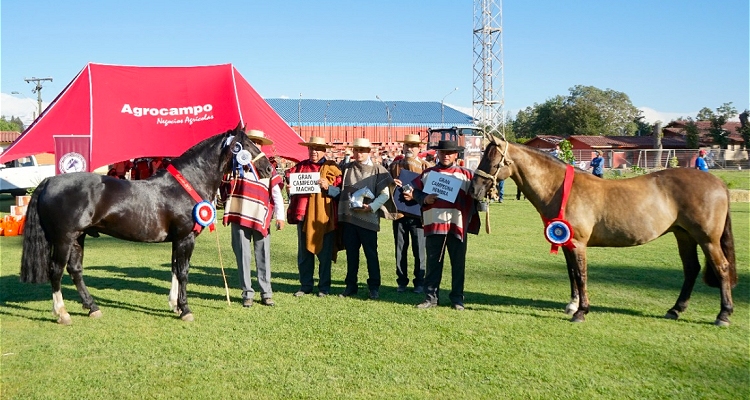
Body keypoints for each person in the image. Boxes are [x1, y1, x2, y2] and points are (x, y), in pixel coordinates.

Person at [403, 140, 480, 311]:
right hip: (434, 225)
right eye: (443, 152)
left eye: (450, 152)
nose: (446, 155)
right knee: (433, 264)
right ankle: (430, 298)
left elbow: (478, 193)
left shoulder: (466, 174)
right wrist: (424, 198)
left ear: (456, 154)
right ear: (437, 153)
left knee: (458, 264)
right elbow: (413, 190)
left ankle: (457, 299)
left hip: (457, 225)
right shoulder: (428, 173)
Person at [221, 129, 285, 307]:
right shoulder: (235, 164)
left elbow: (276, 193)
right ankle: (247, 292)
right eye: (252, 142)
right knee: (242, 255)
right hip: (239, 215)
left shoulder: (268, 166)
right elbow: (221, 184)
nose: (255, 146)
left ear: (262, 146)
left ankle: (266, 292)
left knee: (263, 255)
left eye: (258, 143)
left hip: (260, 217)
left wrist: (280, 216)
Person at [335, 138, 396, 300]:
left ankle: (374, 287)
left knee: (371, 255)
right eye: (356, 150)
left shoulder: (378, 170)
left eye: (362, 150)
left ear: (369, 151)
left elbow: (385, 194)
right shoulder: (346, 168)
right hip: (349, 219)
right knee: (351, 255)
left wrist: (372, 207)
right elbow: (339, 190)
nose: (359, 153)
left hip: (368, 219)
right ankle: (350, 286)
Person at [286, 136, 342, 297]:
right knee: (304, 254)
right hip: (303, 215)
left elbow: (341, 193)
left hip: (324, 217)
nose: (314, 152)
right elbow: (290, 183)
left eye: (317, 149)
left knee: (324, 254)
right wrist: (290, 189)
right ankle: (306, 285)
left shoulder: (333, 168)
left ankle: (324, 287)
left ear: (324, 150)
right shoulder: (300, 167)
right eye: (311, 148)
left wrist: (328, 187)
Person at [389, 134, 432, 294]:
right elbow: (385, 188)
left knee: (419, 250)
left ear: (419, 148)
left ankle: (420, 282)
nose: (409, 148)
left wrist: (416, 195)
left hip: (418, 215)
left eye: (413, 146)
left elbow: (431, 192)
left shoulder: (427, 167)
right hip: (399, 214)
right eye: (407, 145)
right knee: (400, 249)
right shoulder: (395, 166)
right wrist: (392, 184)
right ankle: (401, 281)